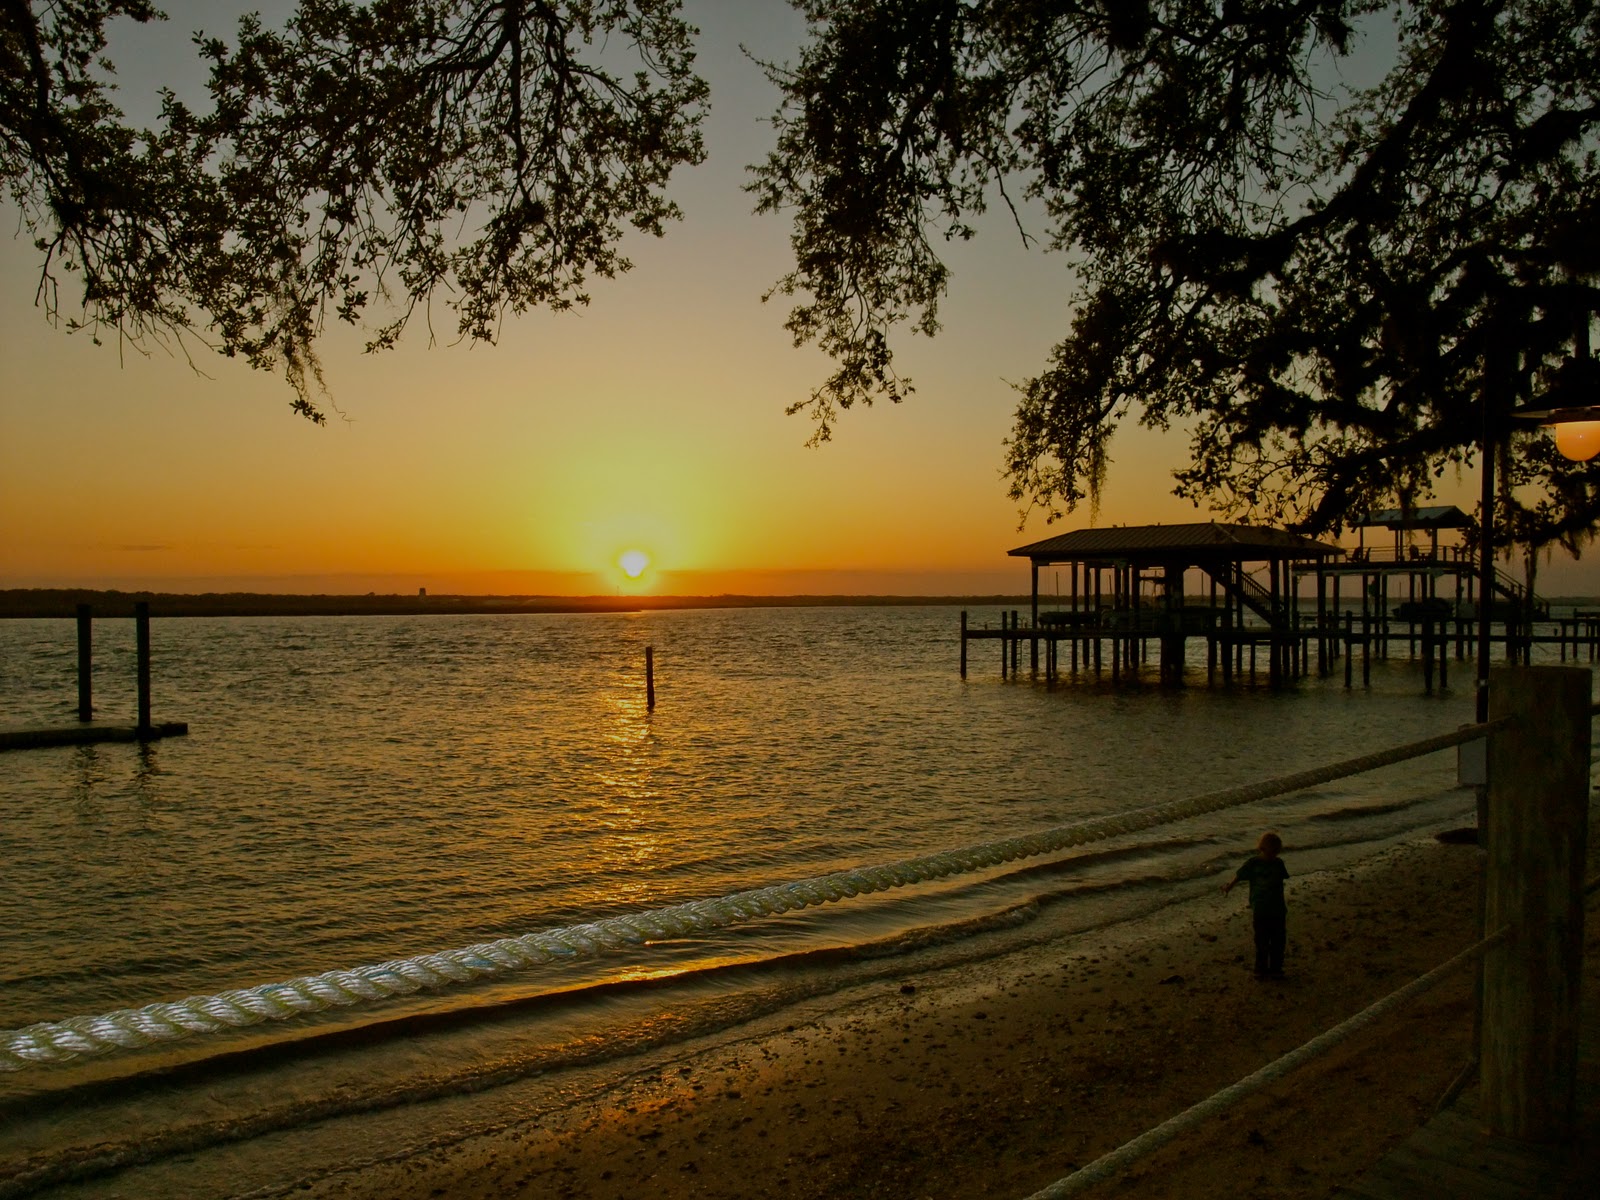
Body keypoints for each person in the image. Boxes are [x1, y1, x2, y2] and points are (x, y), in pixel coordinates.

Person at [1223, 832, 1289, 979]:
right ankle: (1261, 969)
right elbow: (1240, 875)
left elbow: (1282, 878)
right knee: (1261, 941)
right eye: (1272, 851)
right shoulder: (1253, 863)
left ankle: (1276, 969)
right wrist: (1229, 886)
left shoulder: (1278, 863)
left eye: (1276, 852)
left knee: (1278, 941)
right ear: (1262, 849)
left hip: (1278, 909)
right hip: (1260, 909)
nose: (1274, 855)